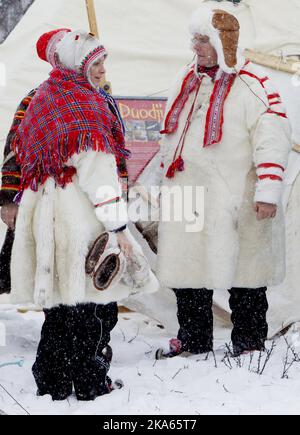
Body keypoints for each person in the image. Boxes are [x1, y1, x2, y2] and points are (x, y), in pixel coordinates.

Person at [9, 29, 157, 401]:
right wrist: (117, 225)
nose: (101, 68)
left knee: (63, 306)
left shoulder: (48, 97)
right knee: (88, 304)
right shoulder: (84, 107)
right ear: (76, 62)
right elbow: (98, 174)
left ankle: (52, 379)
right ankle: (90, 380)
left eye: (103, 60)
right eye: (94, 61)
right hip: (81, 214)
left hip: (51, 213)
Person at [156, 4, 291, 357]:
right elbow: (171, 135)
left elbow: (273, 136)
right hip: (188, 192)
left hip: (235, 194)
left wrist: (267, 191)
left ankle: (248, 342)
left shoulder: (254, 85)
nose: (195, 47)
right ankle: (193, 338)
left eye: (202, 40)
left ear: (221, 41)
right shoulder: (186, 79)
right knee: (188, 271)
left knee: (245, 272)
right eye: (194, 39)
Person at [0, 28, 71, 294]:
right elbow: (14, 150)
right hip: (45, 199)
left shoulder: (98, 97)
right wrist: (8, 199)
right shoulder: (36, 98)